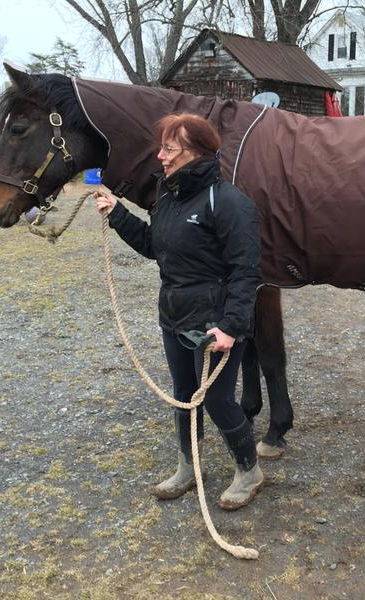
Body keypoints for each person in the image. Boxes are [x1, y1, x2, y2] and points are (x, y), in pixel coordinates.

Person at [94, 113, 264, 510]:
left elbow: (246, 271)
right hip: (174, 316)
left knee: (219, 401)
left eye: (169, 149)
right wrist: (117, 213)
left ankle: (249, 470)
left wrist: (230, 327)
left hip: (215, 324)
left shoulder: (228, 203)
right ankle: (188, 468)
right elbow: (156, 246)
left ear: (196, 153)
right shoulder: (168, 197)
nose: (161, 156)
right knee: (183, 395)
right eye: (163, 148)